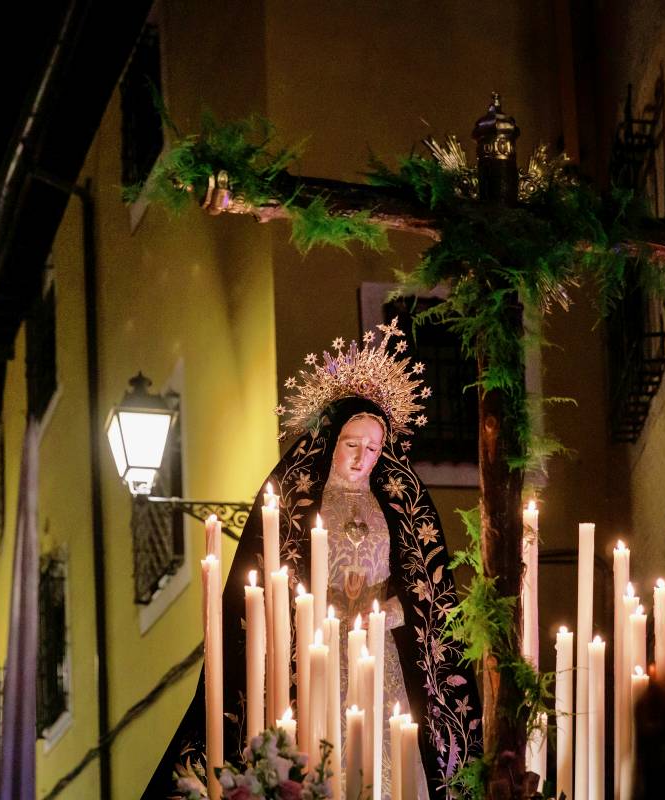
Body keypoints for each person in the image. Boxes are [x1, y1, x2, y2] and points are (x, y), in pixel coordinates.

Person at [144, 326, 482, 799]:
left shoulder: (402, 504)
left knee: (396, 761)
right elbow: (273, 579)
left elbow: (424, 587)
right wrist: (316, 615)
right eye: (352, 444)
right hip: (316, 657)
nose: (363, 457)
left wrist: (391, 612)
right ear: (332, 441)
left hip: (382, 657)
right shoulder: (298, 501)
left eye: (373, 448)